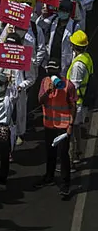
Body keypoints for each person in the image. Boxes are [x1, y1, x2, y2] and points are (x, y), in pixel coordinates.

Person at [36, 59, 77, 197]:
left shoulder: (68, 85)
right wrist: (48, 91)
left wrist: (70, 125)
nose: (51, 73)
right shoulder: (44, 82)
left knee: (63, 155)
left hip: (63, 127)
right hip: (49, 125)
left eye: (54, 70)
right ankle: (49, 176)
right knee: (50, 153)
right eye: (50, 70)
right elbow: (40, 100)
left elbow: (73, 107)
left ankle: (65, 185)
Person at [66, 30, 92, 165]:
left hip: (76, 103)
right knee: (76, 130)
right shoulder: (86, 58)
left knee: (70, 132)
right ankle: (78, 154)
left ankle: (70, 160)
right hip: (81, 101)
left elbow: (73, 86)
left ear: (73, 46)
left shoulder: (77, 65)